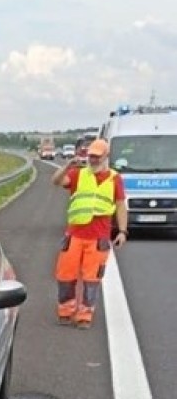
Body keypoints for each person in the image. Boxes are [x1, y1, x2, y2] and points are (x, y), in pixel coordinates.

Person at [51, 137, 128, 325]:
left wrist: (122, 231)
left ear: (105, 157)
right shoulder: (79, 174)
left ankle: (85, 316)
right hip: (74, 235)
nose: (92, 160)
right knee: (65, 275)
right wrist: (68, 165)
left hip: (98, 238)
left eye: (96, 157)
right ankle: (65, 312)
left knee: (91, 279)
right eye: (90, 156)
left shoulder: (114, 178)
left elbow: (120, 206)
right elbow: (56, 181)